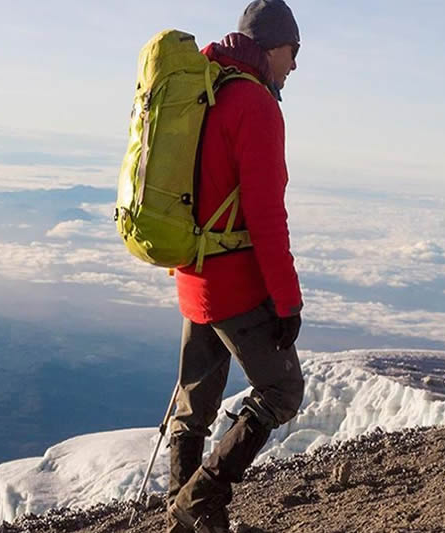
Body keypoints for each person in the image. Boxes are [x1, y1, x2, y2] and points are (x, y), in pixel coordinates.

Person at [167, 2, 305, 532]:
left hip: (192, 273)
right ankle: (200, 501)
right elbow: (267, 214)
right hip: (233, 281)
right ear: (272, 47)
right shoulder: (255, 104)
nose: (294, 66)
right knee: (283, 390)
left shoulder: (205, 91)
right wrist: (287, 301)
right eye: (294, 51)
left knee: (194, 405)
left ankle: (189, 518)